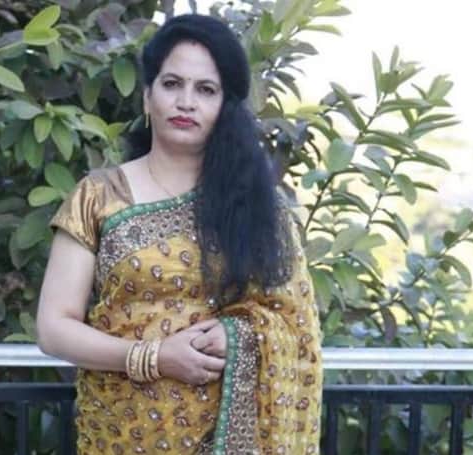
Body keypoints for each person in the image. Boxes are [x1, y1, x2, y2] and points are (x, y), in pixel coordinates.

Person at [36, 13, 322, 454]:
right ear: (147, 96)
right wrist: (154, 357)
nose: (186, 102)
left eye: (205, 89)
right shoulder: (98, 196)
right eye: (172, 84)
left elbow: (294, 325)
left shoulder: (259, 211)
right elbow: (54, 328)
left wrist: (240, 336)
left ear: (224, 107)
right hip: (117, 434)